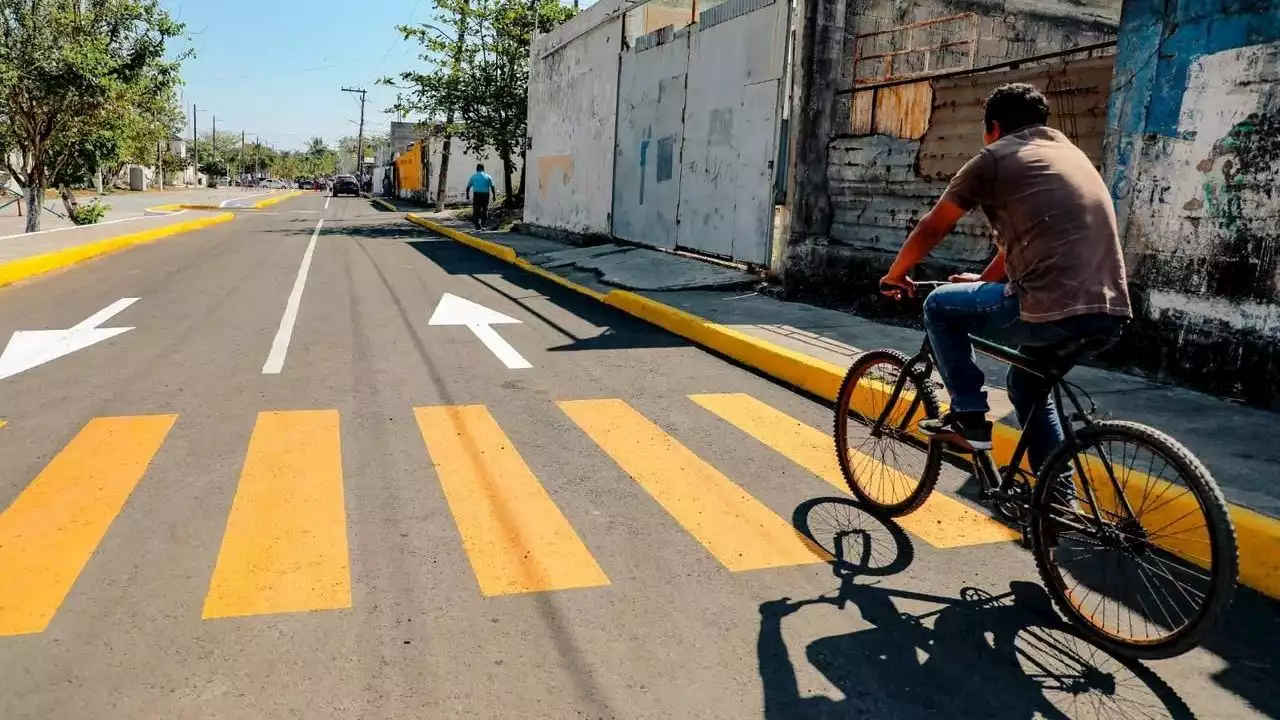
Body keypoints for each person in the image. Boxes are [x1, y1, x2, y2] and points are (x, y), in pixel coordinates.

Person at [878, 83, 1131, 474]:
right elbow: (1021, 243)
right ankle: (1057, 504)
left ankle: (968, 418)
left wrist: (895, 275)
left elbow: (934, 226)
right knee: (1027, 386)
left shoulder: (995, 158)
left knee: (939, 306)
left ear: (993, 127)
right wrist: (980, 281)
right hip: (1110, 310)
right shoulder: (1072, 157)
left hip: (1048, 306)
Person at [466, 163, 495, 230]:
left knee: (476, 210)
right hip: (485, 195)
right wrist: (494, 196)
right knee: (485, 210)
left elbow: (468, 187)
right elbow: (492, 187)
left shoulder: (473, 177)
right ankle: (484, 225)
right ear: (483, 169)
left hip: (477, 195)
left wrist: (467, 195)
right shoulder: (488, 176)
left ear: (477, 169)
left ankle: (477, 225)